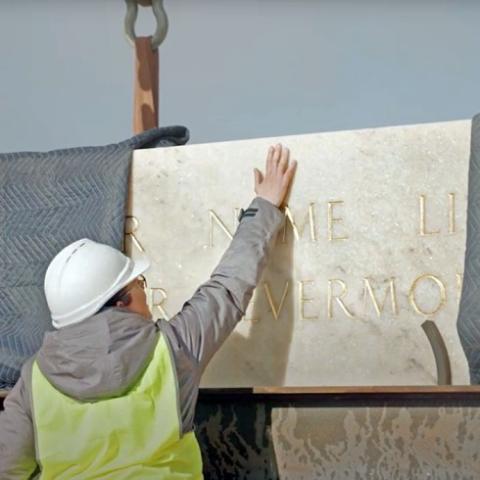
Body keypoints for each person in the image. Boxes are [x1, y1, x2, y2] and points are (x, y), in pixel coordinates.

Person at [0, 144, 296, 479]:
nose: (146, 292)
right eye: (139, 282)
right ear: (121, 301)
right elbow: (229, 287)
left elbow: (9, 469)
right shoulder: (172, 349)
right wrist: (265, 207)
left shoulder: (34, 380)